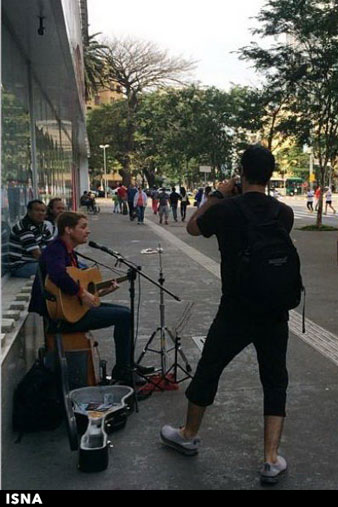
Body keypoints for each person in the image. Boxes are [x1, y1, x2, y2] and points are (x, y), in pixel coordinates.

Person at [160, 145, 294, 486]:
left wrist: (217, 195)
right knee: (275, 379)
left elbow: (191, 227)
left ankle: (188, 434)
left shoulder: (227, 210)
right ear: (270, 174)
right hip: (274, 310)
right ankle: (270, 459)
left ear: (242, 172)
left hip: (235, 309)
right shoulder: (283, 213)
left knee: (209, 369)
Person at [28, 212, 153, 385]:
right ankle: (123, 370)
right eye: (83, 227)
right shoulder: (56, 249)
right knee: (124, 316)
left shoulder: (70, 252)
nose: (88, 231)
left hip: (72, 310)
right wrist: (82, 293)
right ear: (68, 230)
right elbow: (58, 275)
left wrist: (102, 291)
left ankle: (127, 364)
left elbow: (78, 292)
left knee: (126, 312)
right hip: (59, 318)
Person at [8, 200, 53, 278]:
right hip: (21, 266)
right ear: (29, 212)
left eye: (43, 211)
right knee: (56, 269)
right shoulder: (24, 227)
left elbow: (53, 246)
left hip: (36, 263)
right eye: (37, 210)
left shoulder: (43, 225)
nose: (41, 213)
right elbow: (37, 254)